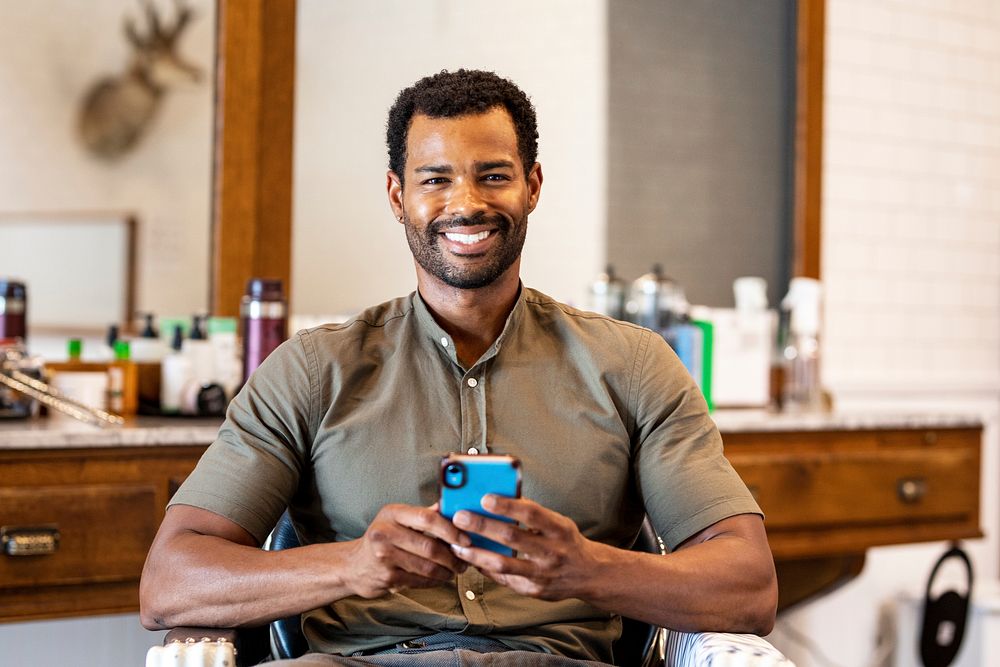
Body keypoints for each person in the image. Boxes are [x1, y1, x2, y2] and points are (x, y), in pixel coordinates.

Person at [140, 69, 777, 666]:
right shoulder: (310, 371)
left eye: (493, 175)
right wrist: (354, 565)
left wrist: (585, 568)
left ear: (532, 186)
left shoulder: (633, 366)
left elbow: (748, 588)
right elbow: (169, 585)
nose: (465, 203)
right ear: (398, 195)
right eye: (436, 178)